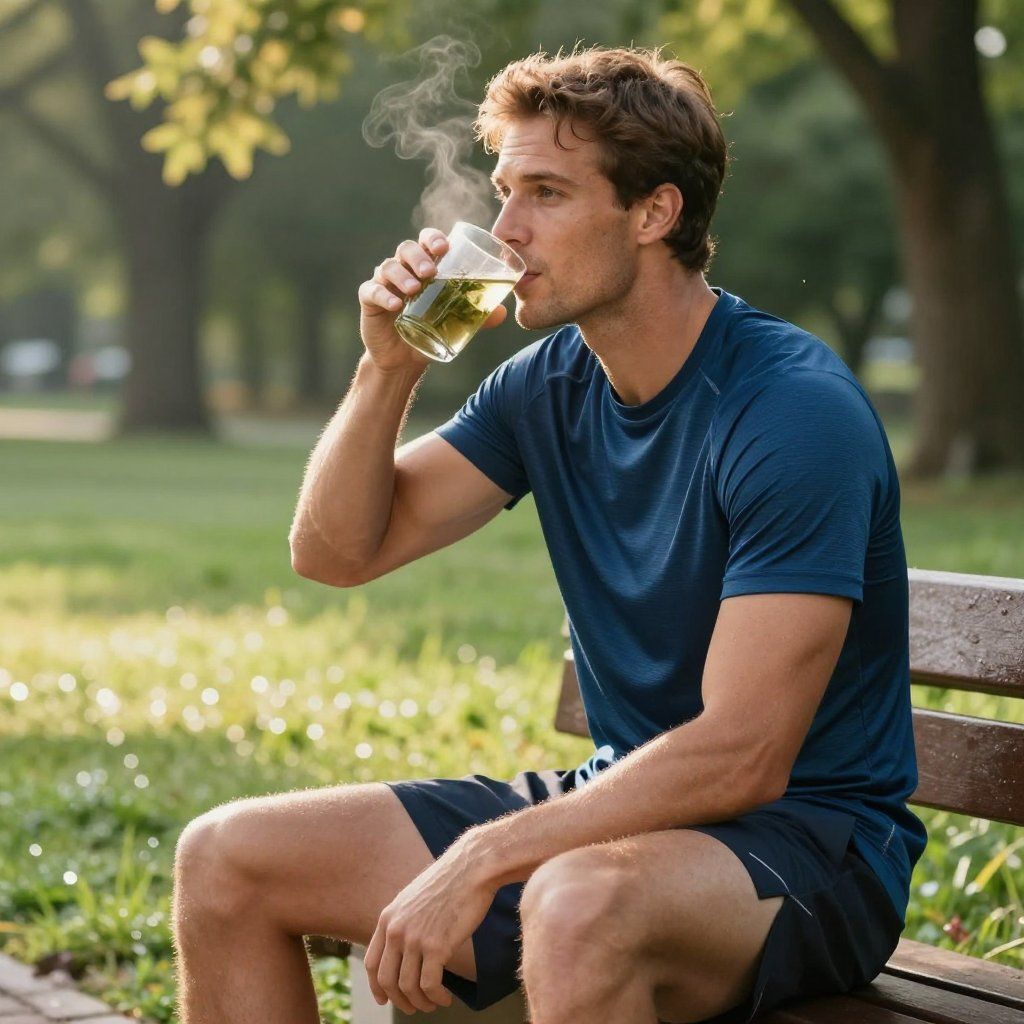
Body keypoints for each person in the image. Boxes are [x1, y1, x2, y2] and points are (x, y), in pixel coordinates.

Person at [172, 46, 927, 1024]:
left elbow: (742, 755)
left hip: (807, 849)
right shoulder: (546, 384)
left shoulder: (790, 411)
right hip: (616, 809)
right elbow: (335, 552)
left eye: (546, 193)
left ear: (653, 212)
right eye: (502, 191)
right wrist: (387, 370)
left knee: (573, 903)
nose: (505, 231)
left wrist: (483, 855)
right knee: (226, 856)